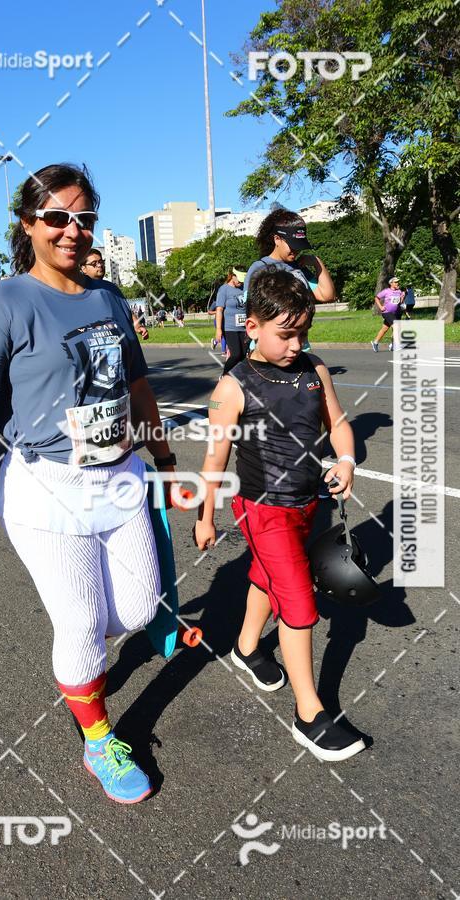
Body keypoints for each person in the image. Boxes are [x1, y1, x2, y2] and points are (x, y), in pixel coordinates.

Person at [0, 163, 180, 804]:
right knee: (78, 623)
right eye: (56, 218)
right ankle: (100, 740)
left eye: (83, 218)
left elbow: (135, 385)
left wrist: (162, 455)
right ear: (28, 225)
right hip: (48, 487)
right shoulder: (4, 301)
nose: (71, 231)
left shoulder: (107, 299)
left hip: (122, 475)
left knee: (132, 611)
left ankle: (85, 669)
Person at [194, 266, 365, 762]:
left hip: (307, 501)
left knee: (267, 577)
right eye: (285, 334)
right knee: (298, 599)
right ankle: (310, 714)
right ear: (251, 327)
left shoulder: (314, 371)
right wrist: (206, 515)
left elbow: (338, 423)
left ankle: (247, 646)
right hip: (261, 508)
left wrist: (347, 460)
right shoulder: (233, 387)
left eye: (303, 333)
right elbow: (215, 457)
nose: (296, 344)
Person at [244, 209, 336, 352]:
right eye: (292, 245)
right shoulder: (259, 268)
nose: (296, 250)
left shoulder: (299, 268)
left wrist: (317, 263)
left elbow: (327, 295)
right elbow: (250, 310)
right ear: (277, 239)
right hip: (270, 351)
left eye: (299, 246)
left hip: (300, 347)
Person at [81, 248, 149, 340]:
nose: (100, 265)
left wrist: (138, 326)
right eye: (94, 263)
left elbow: (126, 310)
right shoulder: (79, 290)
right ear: (83, 268)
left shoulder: (112, 287)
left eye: (101, 262)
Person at [215, 266, 247, 374]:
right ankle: (225, 375)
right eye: (239, 280)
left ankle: (238, 378)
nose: (241, 283)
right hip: (230, 328)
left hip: (244, 327)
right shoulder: (224, 289)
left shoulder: (244, 288)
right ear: (233, 276)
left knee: (244, 355)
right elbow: (219, 310)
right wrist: (218, 329)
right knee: (236, 354)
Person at [371, 276, 405, 351]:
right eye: (395, 282)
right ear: (391, 283)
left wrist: (402, 297)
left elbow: (400, 302)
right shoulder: (386, 291)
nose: (397, 283)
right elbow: (376, 298)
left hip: (395, 313)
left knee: (385, 329)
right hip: (387, 312)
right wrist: (380, 307)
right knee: (396, 326)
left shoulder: (399, 291)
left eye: (397, 282)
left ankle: (375, 342)